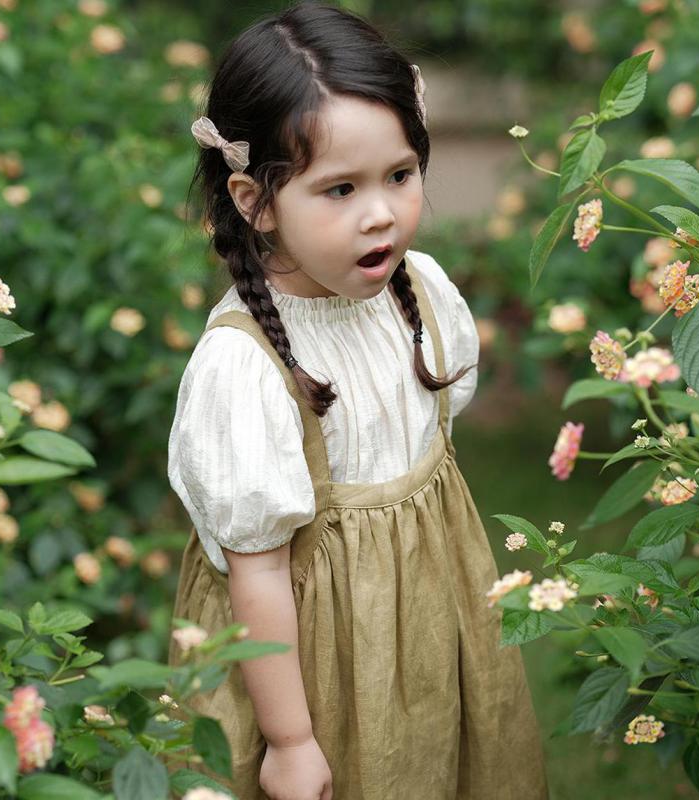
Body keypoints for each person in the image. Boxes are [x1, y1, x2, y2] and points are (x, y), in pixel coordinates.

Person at [167, 3, 549, 799]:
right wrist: (291, 740)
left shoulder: (422, 294)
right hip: (309, 664)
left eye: (400, 176)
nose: (381, 212)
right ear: (255, 200)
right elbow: (261, 571)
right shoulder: (246, 367)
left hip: (427, 628)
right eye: (339, 188)